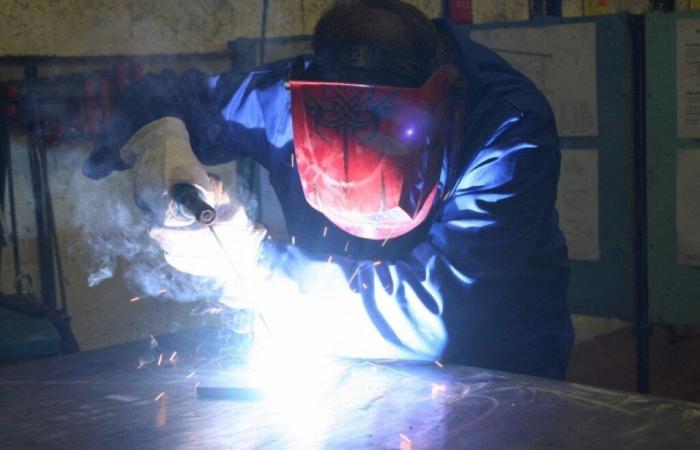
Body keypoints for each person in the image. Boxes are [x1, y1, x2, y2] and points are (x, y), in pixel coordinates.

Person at [84, 0, 574, 379]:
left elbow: (434, 314)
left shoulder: (505, 128)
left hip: (493, 365)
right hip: (331, 361)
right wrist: (159, 142)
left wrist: (253, 264)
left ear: (441, 101)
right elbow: (157, 96)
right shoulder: (286, 97)